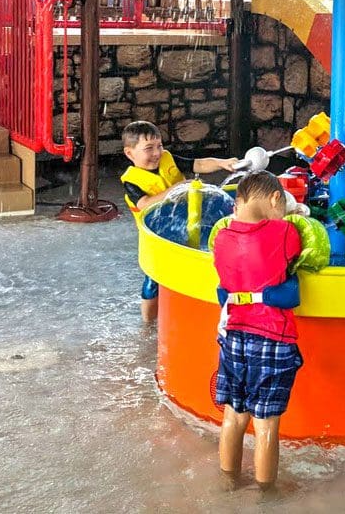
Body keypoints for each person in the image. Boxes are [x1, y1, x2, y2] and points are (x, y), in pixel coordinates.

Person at [210, 171, 304, 492]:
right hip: (272, 338)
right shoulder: (283, 231)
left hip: (233, 336)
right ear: (276, 199)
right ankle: (266, 495)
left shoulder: (221, 238)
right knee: (266, 425)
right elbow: (303, 251)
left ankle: (228, 484)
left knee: (233, 417)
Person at [120, 120, 237, 322]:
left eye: (160, 146)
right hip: (157, 238)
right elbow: (144, 204)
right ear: (130, 153)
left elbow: (198, 164)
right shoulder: (131, 180)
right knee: (153, 279)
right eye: (149, 148)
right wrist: (177, 189)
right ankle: (148, 325)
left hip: (184, 225)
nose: (157, 153)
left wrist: (221, 163)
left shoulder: (168, 159)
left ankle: (193, 311)